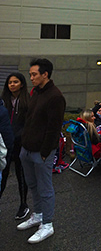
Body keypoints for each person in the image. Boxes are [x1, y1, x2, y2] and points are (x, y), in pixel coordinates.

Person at [17, 58, 65, 244]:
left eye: (34, 74)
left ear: (45, 74)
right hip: (27, 149)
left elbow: (54, 128)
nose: (31, 78)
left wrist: (45, 152)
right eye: (30, 74)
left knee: (45, 188)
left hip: (41, 152)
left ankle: (47, 224)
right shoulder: (36, 92)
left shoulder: (55, 96)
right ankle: (37, 215)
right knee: (33, 184)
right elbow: (30, 120)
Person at [1, 72, 30, 220]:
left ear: (22, 84)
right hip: (5, 143)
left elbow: (29, 123)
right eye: (10, 82)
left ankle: (23, 204)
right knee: (3, 174)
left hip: (20, 143)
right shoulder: (4, 100)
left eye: (15, 82)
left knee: (21, 174)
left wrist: (20, 136)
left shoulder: (27, 101)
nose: (12, 85)